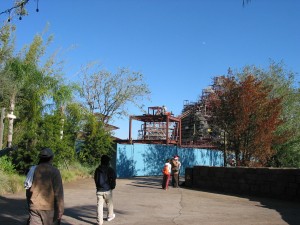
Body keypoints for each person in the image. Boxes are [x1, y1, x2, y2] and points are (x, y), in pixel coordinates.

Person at [26, 148, 64, 225]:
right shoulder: (55, 171)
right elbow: (58, 193)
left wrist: (29, 204)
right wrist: (60, 209)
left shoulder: (33, 169)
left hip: (35, 207)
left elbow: (28, 189)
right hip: (49, 209)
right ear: (51, 158)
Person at [94, 155, 117, 225]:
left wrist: (98, 187)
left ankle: (99, 222)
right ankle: (110, 216)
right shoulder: (110, 169)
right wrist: (112, 186)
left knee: (99, 206)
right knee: (109, 203)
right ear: (107, 162)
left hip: (99, 190)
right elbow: (114, 178)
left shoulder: (97, 169)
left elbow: (95, 179)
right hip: (107, 190)